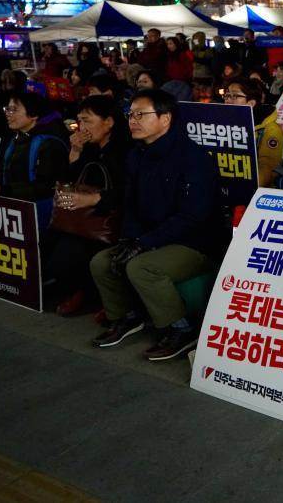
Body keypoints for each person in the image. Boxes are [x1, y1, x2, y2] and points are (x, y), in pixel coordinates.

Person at [90, 89, 219, 360]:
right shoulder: (137, 155)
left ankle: (182, 329)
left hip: (193, 243)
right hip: (152, 238)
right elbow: (131, 205)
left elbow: (193, 217)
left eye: (141, 114)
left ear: (165, 119)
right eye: (131, 114)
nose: (133, 120)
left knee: (142, 267)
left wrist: (143, 244)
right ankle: (126, 317)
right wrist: (129, 239)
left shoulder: (193, 159)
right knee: (102, 261)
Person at [45, 96, 130, 315]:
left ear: (109, 122)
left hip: (114, 219)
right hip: (84, 218)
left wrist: (96, 199)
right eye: (79, 121)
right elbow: (70, 182)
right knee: (51, 243)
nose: (82, 127)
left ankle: (98, 297)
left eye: (88, 120)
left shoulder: (125, 149)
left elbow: (128, 190)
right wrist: (74, 152)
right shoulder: (89, 147)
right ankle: (81, 291)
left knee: (71, 254)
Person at [0, 92, 69, 225]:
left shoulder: (49, 143)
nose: (8, 113)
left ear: (34, 114)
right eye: (7, 109)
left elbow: (47, 186)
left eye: (14, 109)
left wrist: (3, 190)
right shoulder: (15, 139)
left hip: (41, 215)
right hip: (15, 212)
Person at [222, 79, 283, 188]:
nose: (228, 100)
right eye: (227, 95)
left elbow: (268, 166)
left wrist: (243, 184)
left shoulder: (270, 129)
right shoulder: (221, 124)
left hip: (253, 192)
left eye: (235, 96)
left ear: (251, 103)